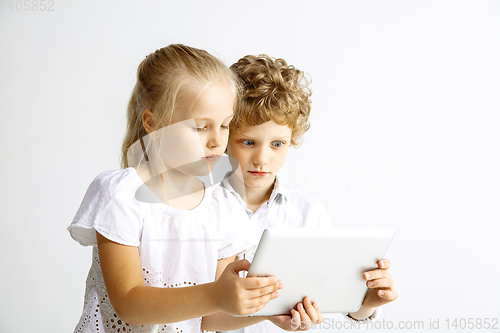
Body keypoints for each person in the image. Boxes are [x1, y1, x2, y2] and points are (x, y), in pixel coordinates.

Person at [67, 44, 316, 333]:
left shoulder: (223, 207)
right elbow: (129, 304)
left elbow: (211, 318)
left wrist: (266, 312)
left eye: (224, 126)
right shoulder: (121, 194)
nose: (216, 141)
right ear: (153, 123)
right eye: (200, 127)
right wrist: (216, 294)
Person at [218, 54, 398, 332]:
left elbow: (329, 293)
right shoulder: (200, 206)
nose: (262, 159)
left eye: (278, 144)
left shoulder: (307, 213)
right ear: (225, 136)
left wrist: (366, 304)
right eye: (248, 142)